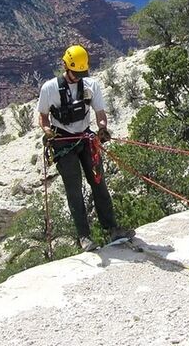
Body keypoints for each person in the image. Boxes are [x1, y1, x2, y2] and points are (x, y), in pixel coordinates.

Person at [37, 44, 134, 252]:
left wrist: (102, 128)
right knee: (74, 190)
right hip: (63, 142)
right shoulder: (50, 89)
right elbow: (43, 116)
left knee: (99, 183)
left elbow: (100, 112)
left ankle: (112, 228)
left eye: (81, 73)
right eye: (75, 73)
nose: (78, 77)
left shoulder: (91, 85)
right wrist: (47, 131)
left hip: (86, 138)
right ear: (65, 66)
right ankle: (84, 237)